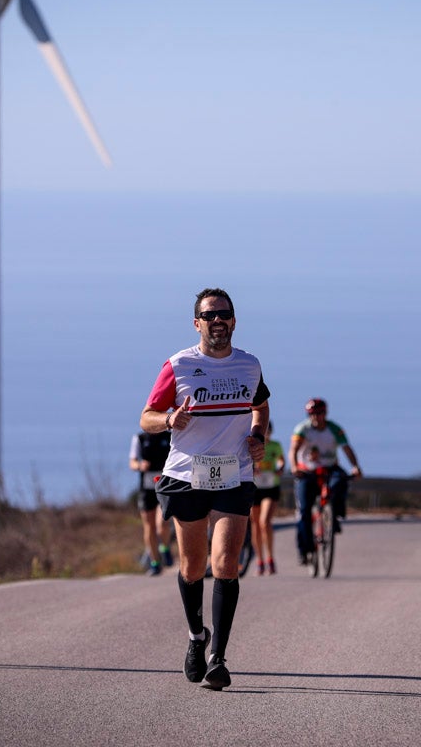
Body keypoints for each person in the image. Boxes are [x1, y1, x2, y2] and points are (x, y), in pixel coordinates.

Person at [139, 288, 270, 691]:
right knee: (193, 567)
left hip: (235, 474)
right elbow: (146, 418)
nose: (217, 320)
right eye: (209, 315)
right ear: (197, 323)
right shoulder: (178, 365)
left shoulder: (249, 365)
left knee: (226, 564)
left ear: (233, 320)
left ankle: (219, 659)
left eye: (224, 314)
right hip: (186, 475)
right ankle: (198, 636)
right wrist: (168, 421)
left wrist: (257, 434)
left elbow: (260, 405)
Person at [289, 398, 361, 565]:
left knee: (341, 481)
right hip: (306, 471)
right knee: (304, 512)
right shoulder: (303, 429)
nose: (316, 417)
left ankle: (334, 513)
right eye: (312, 414)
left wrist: (355, 467)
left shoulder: (334, 429)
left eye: (319, 413)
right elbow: (293, 450)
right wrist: (294, 467)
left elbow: (347, 448)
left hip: (329, 468)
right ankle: (305, 550)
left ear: (325, 414)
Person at [130, 430, 175, 575]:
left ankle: (165, 548)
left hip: (164, 485)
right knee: (148, 526)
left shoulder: (169, 436)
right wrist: (139, 466)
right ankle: (155, 563)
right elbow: (132, 461)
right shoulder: (140, 438)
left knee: (162, 523)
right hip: (147, 488)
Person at [250, 421, 285, 575]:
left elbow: (281, 459)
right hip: (255, 487)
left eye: (268, 432)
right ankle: (260, 560)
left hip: (271, 487)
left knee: (265, 522)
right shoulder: (251, 444)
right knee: (255, 524)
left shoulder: (275, 445)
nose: (266, 435)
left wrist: (280, 467)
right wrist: (253, 469)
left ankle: (270, 558)